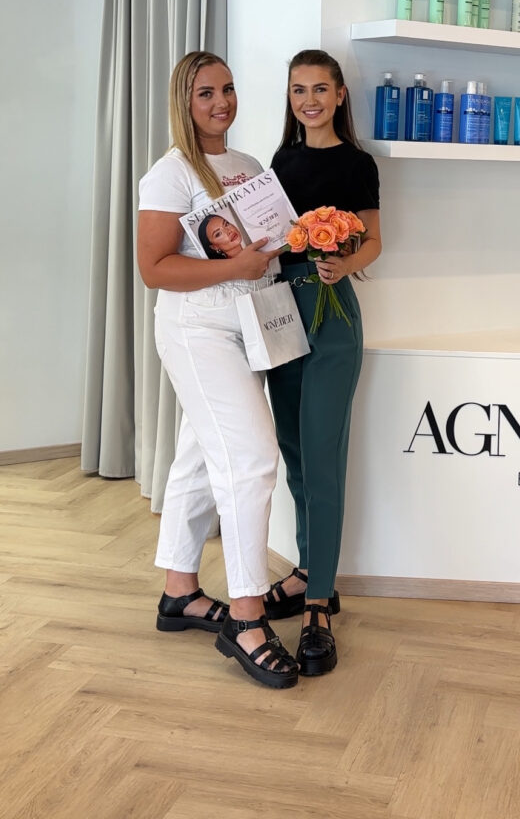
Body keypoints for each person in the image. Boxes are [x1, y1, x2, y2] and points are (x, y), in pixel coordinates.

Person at [137, 50, 298, 689]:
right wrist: (236, 265)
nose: (222, 102)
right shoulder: (171, 173)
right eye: (206, 93)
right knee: (252, 458)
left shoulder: (249, 167)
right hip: (197, 332)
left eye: (227, 89)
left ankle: (179, 592)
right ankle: (247, 618)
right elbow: (154, 268)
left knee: (201, 456)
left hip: (247, 327)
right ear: (185, 100)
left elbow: (263, 247)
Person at [263, 49, 381, 677]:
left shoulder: (358, 164)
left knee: (324, 456)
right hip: (281, 317)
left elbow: (374, 239)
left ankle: (317, 606)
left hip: (333, 318)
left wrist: (344, 263)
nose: (308, 100)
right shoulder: (281, 161)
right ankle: (312, 570)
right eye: (298, 90)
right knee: (296, 453)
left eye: (319, 89)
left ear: (339, 95)